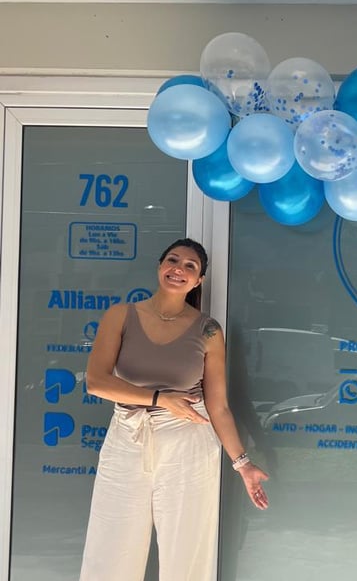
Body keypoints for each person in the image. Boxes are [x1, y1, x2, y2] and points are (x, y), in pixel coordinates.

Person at [80, 238, 270, 581]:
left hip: (188, 443)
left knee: (187, 551)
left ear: (198, 281)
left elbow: (218, 406)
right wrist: (160, 398)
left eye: (190, 266)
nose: (179, 269)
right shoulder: (121, 315)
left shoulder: (208, 330)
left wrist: (243, 464)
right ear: (160, 266)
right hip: (127, 437)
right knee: (110, 546)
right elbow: (96, 382)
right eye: (173, 260)